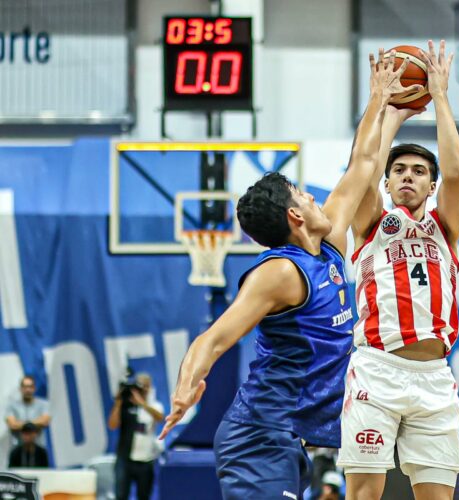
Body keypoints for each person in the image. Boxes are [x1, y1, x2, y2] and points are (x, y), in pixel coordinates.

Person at [159, 50, 423, 500]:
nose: (315, 198)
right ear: (294, 215)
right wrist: (186, 390)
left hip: (288, 438)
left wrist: (389, 106)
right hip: (259, 436)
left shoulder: (330, 244)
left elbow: (362, 165)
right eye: (302, 194)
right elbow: (213, 339)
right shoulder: (281, 271)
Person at [337, 40, 459, 500]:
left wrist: (440, 95)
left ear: (429, 185)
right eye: (400, 171)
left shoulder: (444, 227)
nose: (408, 176)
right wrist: (381, 107)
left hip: (434, 377)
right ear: (388, 183)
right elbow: (362, 167)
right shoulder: (371, 222)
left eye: (418, 171)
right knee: (363, 495)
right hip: (378, 370)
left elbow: (455, 173)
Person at [108, 373, 164, 500]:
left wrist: (142, 404)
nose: (142, 389)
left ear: (150, 388)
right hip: (125, 459)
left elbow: (160, 417)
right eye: (140, 385)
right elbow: (112, 425)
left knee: (144, 496)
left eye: (146, 386)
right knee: (121, 496)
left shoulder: (154, 406)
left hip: (146, 460)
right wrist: (118, 402)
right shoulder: (125, 406)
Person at [5, 375, 51, 450]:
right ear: (20, 389)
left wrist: (20, 424)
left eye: (30, 387)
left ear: (34, 388)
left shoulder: (43, 404)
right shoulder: (12, 406)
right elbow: (12, 425)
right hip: (18, 449)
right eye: (25, 387)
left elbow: (45, 421)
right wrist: (35, 424)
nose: (28, 390)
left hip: (38, 448)